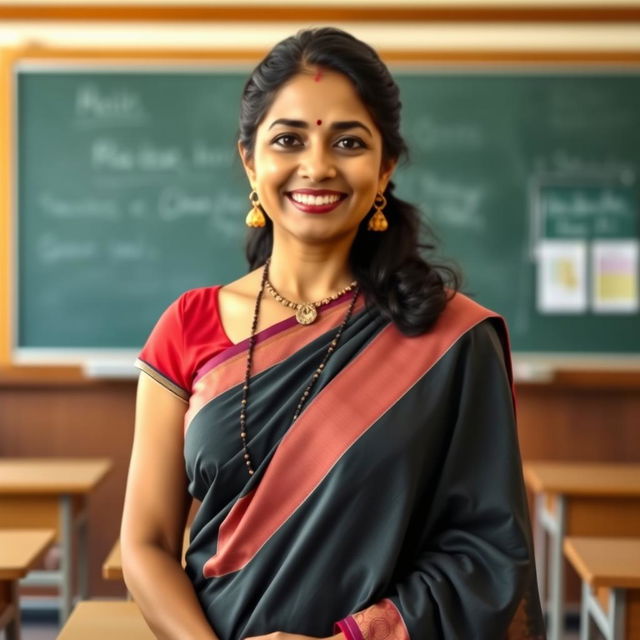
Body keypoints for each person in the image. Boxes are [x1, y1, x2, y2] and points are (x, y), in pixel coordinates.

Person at [121, 27, 545, 640]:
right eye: (288, 139)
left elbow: (485, 555)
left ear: (385, 164)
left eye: (348, 141)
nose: (316, 167)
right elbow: (145, 544)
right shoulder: (188, 326)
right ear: (250, 160)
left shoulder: (451, 337)